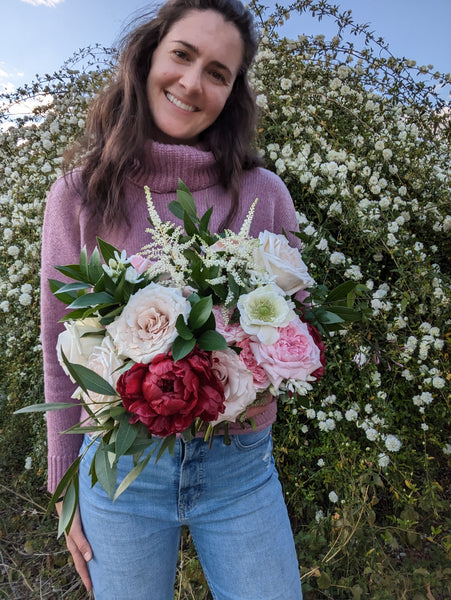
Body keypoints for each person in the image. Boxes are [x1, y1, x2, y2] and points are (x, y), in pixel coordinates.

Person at [41, 0, 304, 598]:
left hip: (239, 474)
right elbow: (59, 346)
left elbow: (293, 330)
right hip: (119, 476)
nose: (191, 83)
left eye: (218, 72)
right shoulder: (79, 195)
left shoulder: (263, 193)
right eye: (182, 55)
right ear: (147, 57)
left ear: (233, 93)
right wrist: (64, 484)